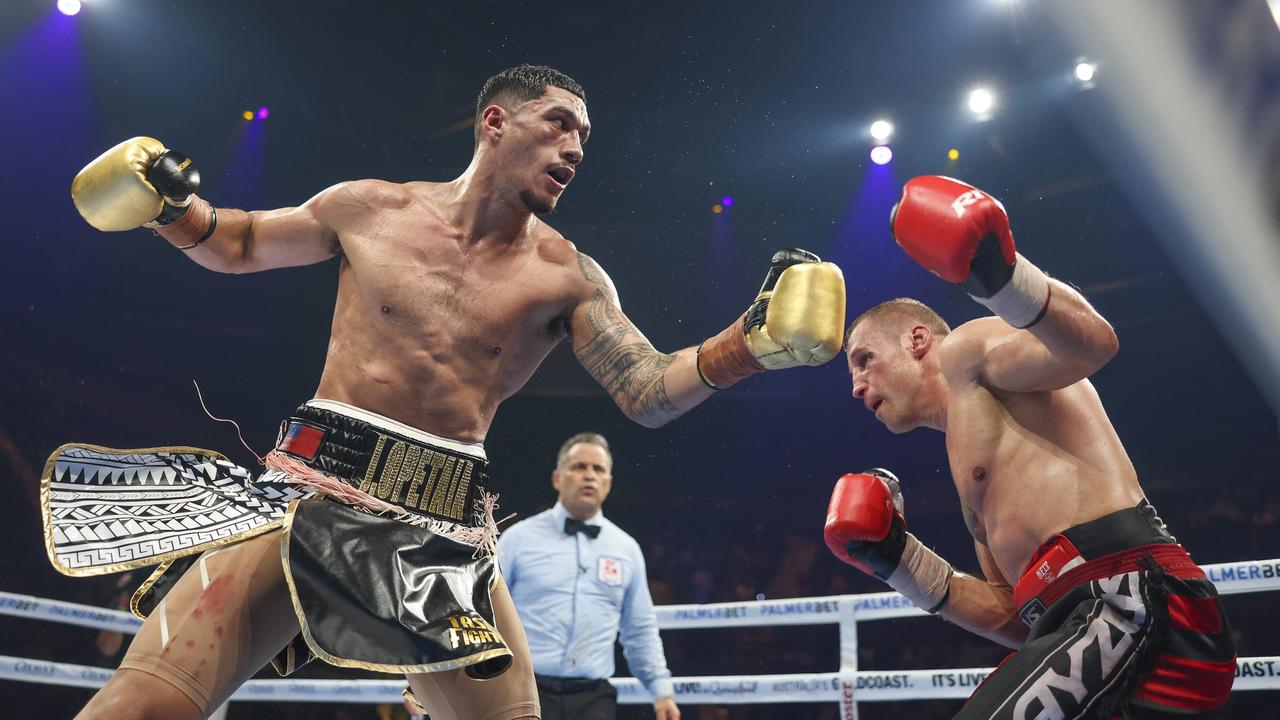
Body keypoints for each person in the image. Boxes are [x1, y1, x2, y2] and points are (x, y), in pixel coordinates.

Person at [47, 64, 846, 720]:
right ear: (494, 122)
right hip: (311, 485)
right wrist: (174, 209)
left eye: (586, 137)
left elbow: (645, 387)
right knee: (144, 705)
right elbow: (243, 242)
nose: (577, 147)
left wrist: (749, 346)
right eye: (559, 122)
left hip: (442, 529)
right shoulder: (370, 207)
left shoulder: (568, 275)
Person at [824, 175, 1235, 718]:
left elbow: (1093, 343)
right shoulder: (971, 474)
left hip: (1131, 599)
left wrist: (1001, 275)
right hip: (1085, 626)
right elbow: (1015, 617)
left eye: (863, 360)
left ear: (917, 339)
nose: (855, 386)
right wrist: (901, 563)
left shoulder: (969, 353)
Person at [497, 432, 679, 720]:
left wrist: (661, 691)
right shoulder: (516, 539)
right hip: (523, 690)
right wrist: (438, 674)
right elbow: (481, 613)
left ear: (608, 483)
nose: (589, 476)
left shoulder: (626, 549)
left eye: (598, 469)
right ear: (558, 478)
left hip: (594, 698)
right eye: (579, 467)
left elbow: (639, 628)